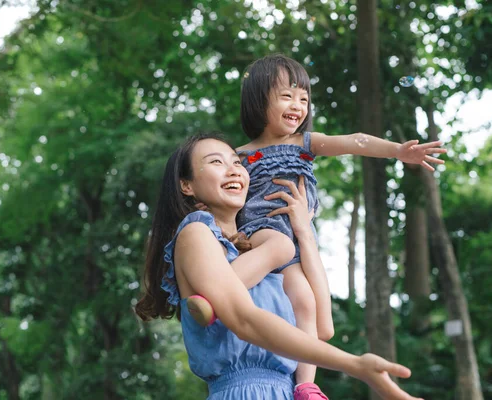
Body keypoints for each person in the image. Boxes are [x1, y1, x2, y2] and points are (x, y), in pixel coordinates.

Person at [187, 54, 447, 398]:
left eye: (304, 98)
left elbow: (355, 141)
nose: (298, 105)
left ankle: (306, 385)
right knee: (278, 246)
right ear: (258, 100)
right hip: (261, 230)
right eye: (286, 95)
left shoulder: (304, 143)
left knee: (306, 305)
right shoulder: (241, 156)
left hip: (294, 242)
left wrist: (398, 151)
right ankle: (217, 300)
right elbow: (219, 189)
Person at [135, 133, 424, 400]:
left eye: (237, 162)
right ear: (187, 185)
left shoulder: (258, 255)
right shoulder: (196, 232)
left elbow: (322, 328)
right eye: (216, 163)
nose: (234, 169)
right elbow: (244, 319)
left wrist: (303, 233)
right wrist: (353, 364)